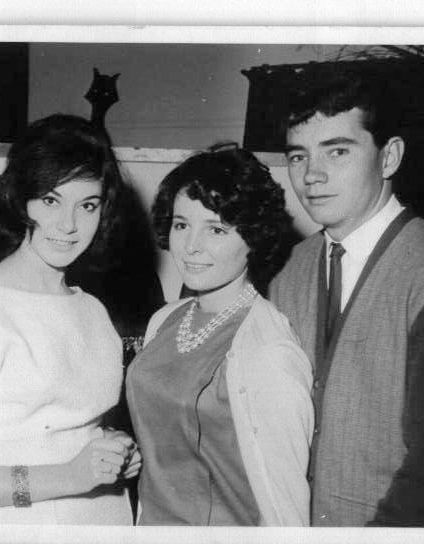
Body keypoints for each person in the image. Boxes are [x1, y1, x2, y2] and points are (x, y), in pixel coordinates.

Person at [270, 74, 424, 526]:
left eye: (337, 151)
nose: (311, 175)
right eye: (298, 156)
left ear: (389, 157)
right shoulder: (287, 269)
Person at [0, 114, 140, 525]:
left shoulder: (92, 308)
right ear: (21, 198)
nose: (68, 225)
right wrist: (71, 475)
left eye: (87, 205)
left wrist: (114, 452)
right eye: (51, 201)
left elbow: (69, 428)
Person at [125, 144, 314, 526]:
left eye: (216, 229)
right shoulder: (165, 320)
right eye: (182, 225)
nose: (191, 246)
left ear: (253, 237)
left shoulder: (268, 350)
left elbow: (285, 507)